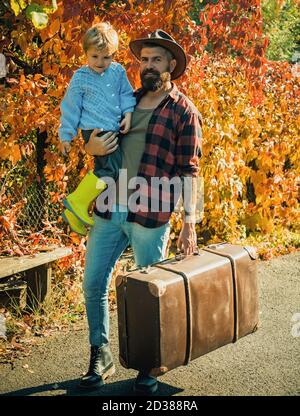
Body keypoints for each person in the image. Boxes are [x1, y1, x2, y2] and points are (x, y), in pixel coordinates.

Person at [80, 30, 203, 394]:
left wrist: (189, 223)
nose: (148, 66)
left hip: (150, 214)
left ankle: (149, 364)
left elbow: (190, 170)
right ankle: (100, 354)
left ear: (171, 66)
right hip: (109, 208)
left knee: (149, 293)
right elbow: (97, 144)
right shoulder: (125, 102)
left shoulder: (184, 111)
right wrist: (90, 144)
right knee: (93, 285)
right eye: (144, 60)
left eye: (157, 60)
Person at [58, 22, 136, 236]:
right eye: (95, 57)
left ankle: (74, 213)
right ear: (86, 53)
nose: (100, 62)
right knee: (110, 170)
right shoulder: (80, 77)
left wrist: (128, 114)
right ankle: (77, 199)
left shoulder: (118, 72)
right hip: (94, 130)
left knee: (113, 169)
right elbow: (70, 107)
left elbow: (126, 94)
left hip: (114, 128)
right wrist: (66, 136)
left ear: (113, 55)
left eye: (106, 57)